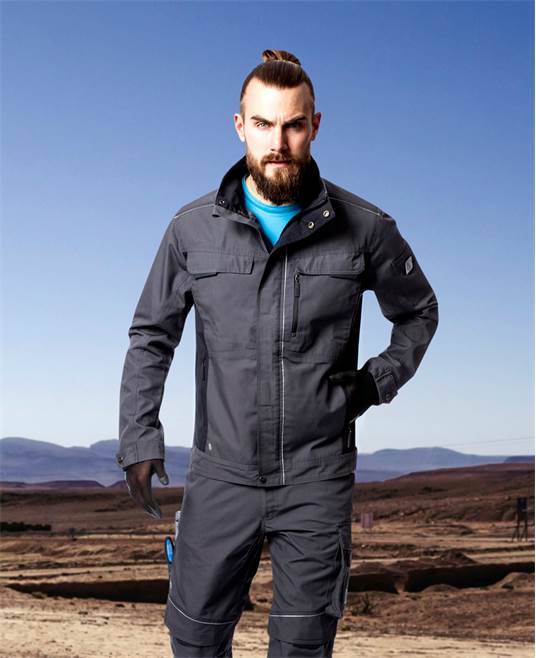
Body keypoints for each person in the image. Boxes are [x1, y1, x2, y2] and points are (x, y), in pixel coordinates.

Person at [116, 49, 439, 657]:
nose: (278, 143)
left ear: (315, 126)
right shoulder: (191, 229)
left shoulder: (366, 228)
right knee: (194, 640)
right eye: (263, 124)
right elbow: (152, 334)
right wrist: (138, 437)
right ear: (240, 125)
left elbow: (419, 312)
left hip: (317, 478)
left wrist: (374, 383)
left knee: (302, 647)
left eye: (293, 125)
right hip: (221, 475)